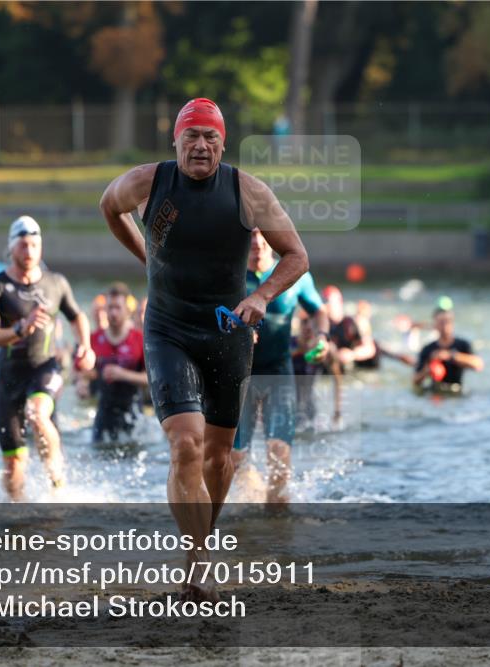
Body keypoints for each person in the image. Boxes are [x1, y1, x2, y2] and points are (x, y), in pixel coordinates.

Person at [100, 98, 309, 601]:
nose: (200, 145)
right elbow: (110, 206)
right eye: (191, 136)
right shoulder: (149, 183)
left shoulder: (248, 192)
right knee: (185, 445)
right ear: (175, 141)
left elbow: (297, 256)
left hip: (227, 333)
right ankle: (196, 563)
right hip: (168, 328)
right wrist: (146, 253)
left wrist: (260, 296)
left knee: (220, 460)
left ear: (223, 143)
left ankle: (200, 546)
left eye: (210, 137)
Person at [0, 216, 95, 500]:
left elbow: (77, 316)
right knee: (13, 464)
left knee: (38, 414)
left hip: (45, 368)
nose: (29, 251)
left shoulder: (55, 283)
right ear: (11, 248)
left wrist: (86, 345)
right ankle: (19, 520)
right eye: (23, 245)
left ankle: (57, 482)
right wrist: (19, 328)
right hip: (7, 379)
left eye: (34, 245)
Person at [232, 229, 330, 504]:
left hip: (278, 371)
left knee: (279, 452)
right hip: (240, 374)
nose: (257, 242)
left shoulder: (292, 275)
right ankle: (251, 502)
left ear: (274, 240)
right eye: (250, 235)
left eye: (263, 235)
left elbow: (319, 311)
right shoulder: (232, 274)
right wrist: (237, 331)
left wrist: (323, 338)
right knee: (236, 457)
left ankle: (276, 517)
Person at [87, 282, 147, 444]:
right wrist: (82, 382)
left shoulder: (139, 339)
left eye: (117, 308)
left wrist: (123, 374)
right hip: (104, 411)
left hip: (132, 411)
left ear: (127, 310)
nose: (113, 313)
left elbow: (150, 380)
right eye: (110, 308)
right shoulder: (94, 339)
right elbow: (82, 374)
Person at [412, 298, 484, 393]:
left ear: (452, 322)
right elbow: (415, 380)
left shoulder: (462, 345)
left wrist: (452, 356)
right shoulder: (428, 349)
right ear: (435, 324)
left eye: (447, 321)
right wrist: (428, 368)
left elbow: (478, 364)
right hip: (435, 392)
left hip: (456, 391)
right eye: (441, 322)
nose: (445, 326)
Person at [291, 308, 343, 431]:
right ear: (298, 323)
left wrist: (337, 411)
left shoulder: (325, 351)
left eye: (313, 323)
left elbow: (338, 379)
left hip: (309, 410)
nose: (308, 327)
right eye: (304, 322)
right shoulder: (287, 345)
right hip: (284, 405)